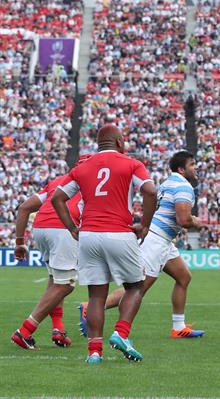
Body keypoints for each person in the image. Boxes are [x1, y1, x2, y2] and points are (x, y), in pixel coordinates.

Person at [49, 124, 158, 364]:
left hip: (88, 235)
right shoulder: (131, 164)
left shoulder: (82, 167)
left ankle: (94, 353)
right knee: (135, 286)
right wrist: (146, 224)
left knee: (96, 296)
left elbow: (57, 198)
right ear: (120, 142)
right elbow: (150, 190)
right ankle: (121, 333)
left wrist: (71, 227)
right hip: (120, 232)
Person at [102, 151, 205, 339]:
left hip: (162, 239)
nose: (196, 167)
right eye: (192, 164)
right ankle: (93, 308)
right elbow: (183, 220)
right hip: (157, 240)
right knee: (138, 288)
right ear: (181, 169)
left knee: (183, 277)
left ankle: (178, 327)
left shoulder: (167, 184)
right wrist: (196, 222)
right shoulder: (183, 186)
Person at [10, 156, 91, 350]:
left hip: (40, 228)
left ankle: (58, 330)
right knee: (67, 285)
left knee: (56, 281)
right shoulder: (91, 181)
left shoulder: (57, 181)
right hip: (63, 228)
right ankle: (25, 331)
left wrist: (20, 242)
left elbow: (24, 208)